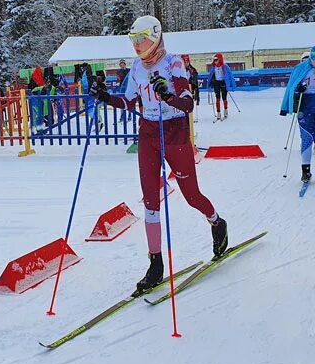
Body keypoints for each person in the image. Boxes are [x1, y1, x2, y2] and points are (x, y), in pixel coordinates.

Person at [89, 15, 228, 292]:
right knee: (151, 201)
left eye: (143, 40)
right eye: (134, 41)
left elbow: (187, 104)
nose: (138, 46)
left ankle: (217, 222)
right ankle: (155, 263)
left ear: (156, 37)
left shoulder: (172, 62)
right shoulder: (137, 69)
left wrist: (168, 96)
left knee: (191, 195)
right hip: (149, 133)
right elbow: (128, 101)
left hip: (175, 131)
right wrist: (105, 96)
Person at [280, 45, 315, 183]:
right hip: (305, 108)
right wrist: (298, 89)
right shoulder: (301, 68)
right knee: (307, 138)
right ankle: (305, 171)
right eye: (314, 60)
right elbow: (292, 87)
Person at [208, 53, 237, 120]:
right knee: (217, 99)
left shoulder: (225, 66)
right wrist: (210, 83)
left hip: (223, 83)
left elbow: (230, 75)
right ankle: (218, 112)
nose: (215, 61)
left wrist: (231, 85)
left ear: (220, 59)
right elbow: (210, 75)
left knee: (224, 98)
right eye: (214, 60)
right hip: (216, 83)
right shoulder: (213, 67)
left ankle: (225, 110)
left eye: (216, 60)